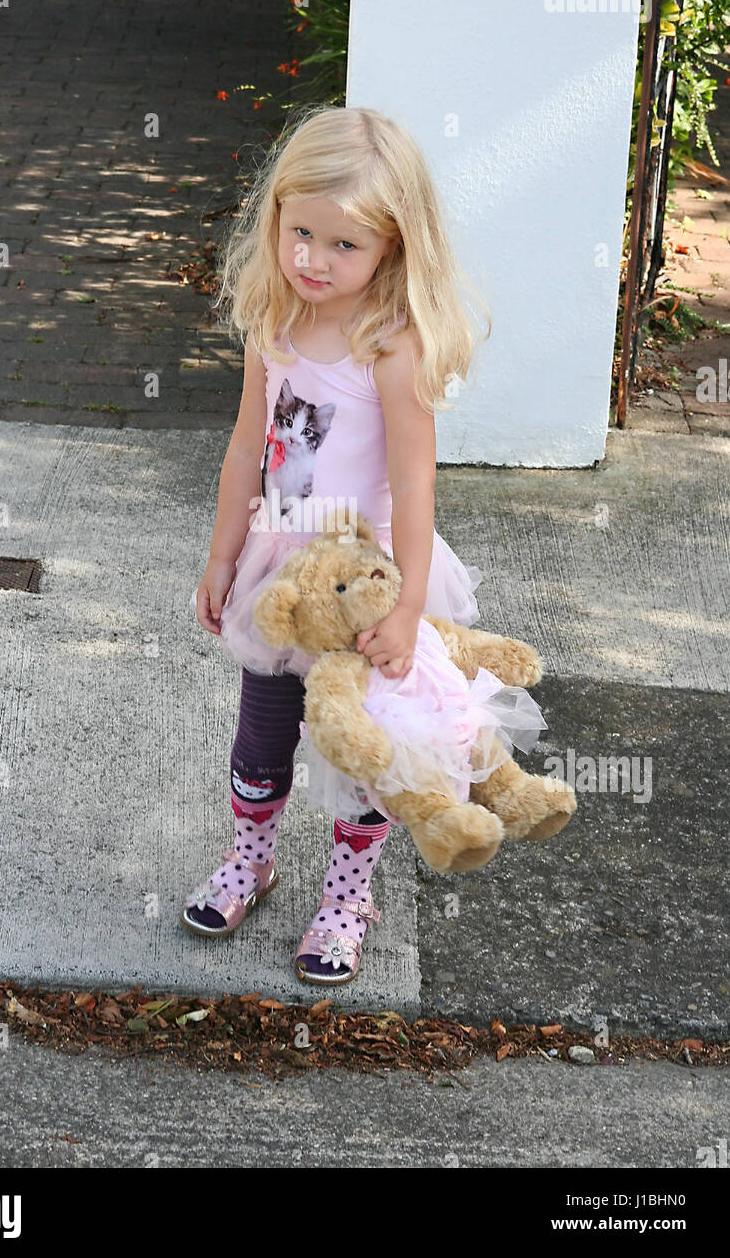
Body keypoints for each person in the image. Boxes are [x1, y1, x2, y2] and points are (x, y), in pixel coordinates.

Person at [182, 103, 530, 986]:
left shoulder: (390, 347)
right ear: (277, 220)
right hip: (282, 575)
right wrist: (225, 552)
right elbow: (244, 448)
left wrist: (410, 605)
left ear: (391, 250)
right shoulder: (274, 322)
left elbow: (416, 485)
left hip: (368, 587)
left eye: (344, 246)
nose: (313, 261)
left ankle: (348, 897)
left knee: (367, 750)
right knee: (262, 736)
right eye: (301, 233)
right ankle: (250, 860)